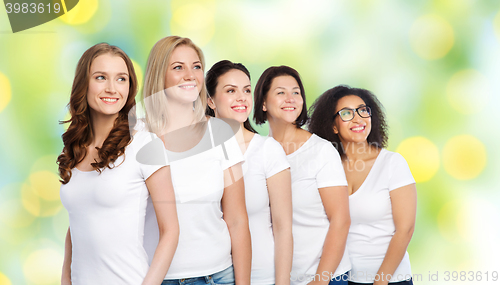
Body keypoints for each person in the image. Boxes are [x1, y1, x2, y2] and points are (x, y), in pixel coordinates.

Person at [58, 43, 179, 285]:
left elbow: (171, 231)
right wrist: (65, 278)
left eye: (121, 79)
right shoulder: (75, 148)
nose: (112, 88)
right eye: (101, 77)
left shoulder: (145, 144)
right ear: (84, 83)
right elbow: (79, 221)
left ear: (130, 87)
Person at [141, 36, 251, 285]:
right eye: (178, 67)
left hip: (218, 277)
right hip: (156, 278)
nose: (190, 75)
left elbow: (236, 219)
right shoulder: (136, 137)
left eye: (197, 66)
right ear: (160, 75)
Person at [308, 85, 417, 285]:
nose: (358, 118)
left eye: (363, 110)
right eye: (347, 113)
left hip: (391, 280)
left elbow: (406, 229)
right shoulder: (327, 169)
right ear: (333, 126)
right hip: (343, 278)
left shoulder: (392, 163)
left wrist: (381, 281)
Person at [253, 66, 351, 285]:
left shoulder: (321, 151)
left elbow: (341, 220)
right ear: (263, 103)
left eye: (296, 92)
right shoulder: (256, 152)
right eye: (281, 92)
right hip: (277, 278)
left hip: (324, 278)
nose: (290, 98)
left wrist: (320, 280)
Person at [206, 60, 293, 285]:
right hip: (210, 275)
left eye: (246, 90)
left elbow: (283, 228)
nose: (242, 98)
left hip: (262, 276)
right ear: (210, 100)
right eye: (231, 91)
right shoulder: (198, 152)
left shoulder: (267, 150)